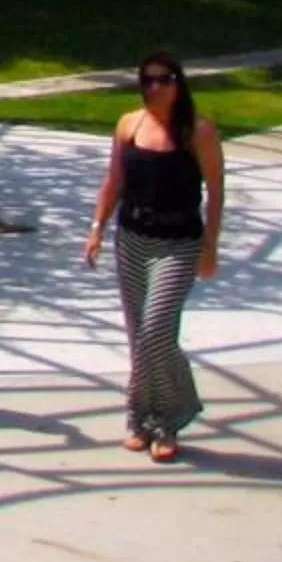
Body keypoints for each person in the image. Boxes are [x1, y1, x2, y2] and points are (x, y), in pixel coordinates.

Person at [83, 51, 227, 461]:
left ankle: (171, 415)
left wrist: (210, 246)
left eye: (163, 80)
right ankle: (140, 417)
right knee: (138, 336)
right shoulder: (130, 124)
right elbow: (114, 181)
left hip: (179, 242)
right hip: (132, 239)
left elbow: (216, 191)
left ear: (178, 84)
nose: (154, 88)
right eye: (147, 80)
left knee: (156, 332)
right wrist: (96, 228)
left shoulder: (198, 132)